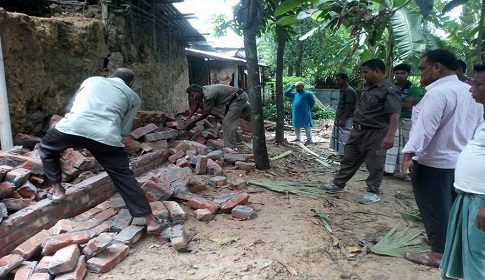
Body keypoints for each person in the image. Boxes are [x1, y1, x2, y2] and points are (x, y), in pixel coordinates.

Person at [39, 68, 166, 234]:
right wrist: (110, 146)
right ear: (130, 83)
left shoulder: (91, 80)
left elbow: (73, 106)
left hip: (71, 127)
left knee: (47, 148)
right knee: (123, 177)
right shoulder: (133, 96)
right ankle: (151, 221)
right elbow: (124, 128)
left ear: (111, 76)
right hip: (106, 136)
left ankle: (57, 191)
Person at [401, 50, 483, 267]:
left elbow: (424, 130)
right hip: (460, 162)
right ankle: (451, 245)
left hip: (433, 162)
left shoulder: (437, 94)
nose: (420, 73)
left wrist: (409, 155)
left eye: (422, 68)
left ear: (437, 67)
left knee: (434, 208)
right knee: (453, 207)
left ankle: (438, 254)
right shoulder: (470, 91)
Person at [320, 59, 401, 204]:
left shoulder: (389, 90)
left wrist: (390, 136)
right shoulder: (369, 88)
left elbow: (394, 114)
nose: (363, 75)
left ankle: (373, 191)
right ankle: (338, 183)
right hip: (357, 131)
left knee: (375, 163)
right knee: (349, 158)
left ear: (377, 71)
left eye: (365, 72)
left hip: (375, 133)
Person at [440, 63, 485, 280]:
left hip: (481, 200)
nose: (471, 88)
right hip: (469, 196)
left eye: (478, 84)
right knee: (465, 254)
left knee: (478, 256)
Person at [185, 84, 250, 152]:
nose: (194, 98)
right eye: (192, 97)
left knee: (227, 122)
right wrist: (189, 117)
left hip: (238, 99)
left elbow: (206, 113)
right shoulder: (202, 91)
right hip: (231, 100)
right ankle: (239, 143)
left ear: (198, 92)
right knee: (227, 122)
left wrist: (193, 122)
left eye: (193, 96)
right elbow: (197, 104)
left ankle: (231, 148)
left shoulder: (209, 95)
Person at [384, 63, 418, 181]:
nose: (399, 76)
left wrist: (393, 107)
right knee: (391, 144)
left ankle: (405, 172)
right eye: (397, 73)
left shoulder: (413, 88)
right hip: (393, 120)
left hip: (407, 120)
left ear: (407, 74)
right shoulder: (392, 87)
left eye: (402, 73)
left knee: (406, 145)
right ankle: (389, 170)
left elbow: (409, 105)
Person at [330, 73, 356, 155]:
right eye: (336, 80)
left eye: (339, 80)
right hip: (340, 117)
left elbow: (349, 106)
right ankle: (341, 153)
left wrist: (343, 119)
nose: (337, 82)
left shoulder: (349, 91)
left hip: (346, 118)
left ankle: (345, 155)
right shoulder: (343, 90)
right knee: (339, 136)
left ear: (345, 80)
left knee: (344, 137)